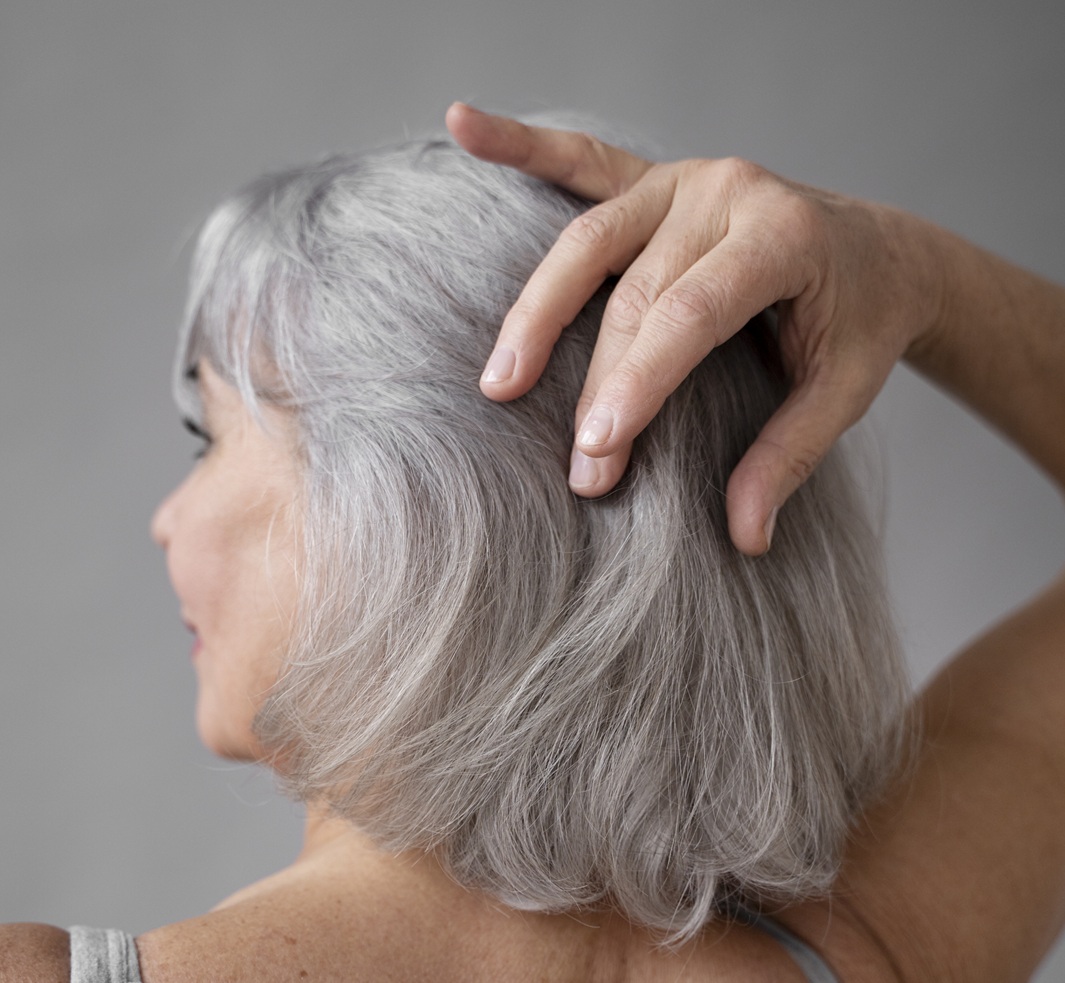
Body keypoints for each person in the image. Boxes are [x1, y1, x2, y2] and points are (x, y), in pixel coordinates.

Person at [0, 107, 1060, 983]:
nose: (165, 516)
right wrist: (909, 268)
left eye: (210, 436)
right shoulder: (874, 953)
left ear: (398, 509)